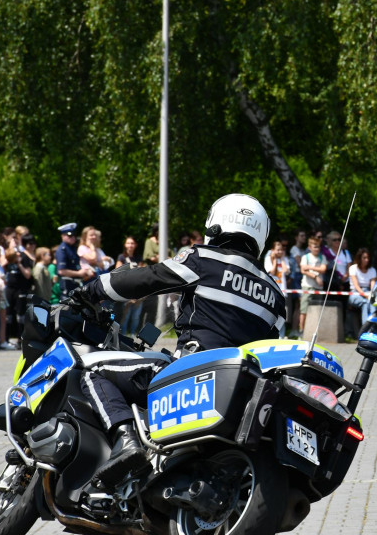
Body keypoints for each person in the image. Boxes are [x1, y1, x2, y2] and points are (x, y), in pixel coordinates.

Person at [75, 193, 287, 487]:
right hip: (238, 392)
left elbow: (146, 279)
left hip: (189, 375)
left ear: (217, 224)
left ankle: (125, 441)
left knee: (91, 370)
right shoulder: (275, 294)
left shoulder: (204, 259)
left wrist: (93, 289)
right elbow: (272, 346)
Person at [114, 236, 143, 336]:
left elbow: (142, 271)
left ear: (135, 245)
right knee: (125, 315)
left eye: (132, 243)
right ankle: (123, 334)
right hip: (126, 290)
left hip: (137, 290)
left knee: (136, 315)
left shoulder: (138, 257)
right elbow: (117, 271)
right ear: (125, 245)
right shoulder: (121, 257)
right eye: (128, 243)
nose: (130, 245)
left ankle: (133, 334)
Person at [299, 234, 328, 335]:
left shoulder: (322, 257)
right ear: (309, 247)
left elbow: (323, 269)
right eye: (315, 246)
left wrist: (309, 268)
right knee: (304, 309)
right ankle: (301, 331)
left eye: (319, 246)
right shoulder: (305, 257)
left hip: (318, 287)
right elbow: (303, 270)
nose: (317, 248)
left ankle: (314, 331)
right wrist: (315, 276)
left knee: (317, 310)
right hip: (307, 285)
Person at [55, 223, 94, 297]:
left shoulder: (72, 248)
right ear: (63, 236)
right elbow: (61, 271)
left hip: (76, 285)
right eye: (70, 235)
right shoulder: (62, 250)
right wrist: (79, 273)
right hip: (68, 286)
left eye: (74, 235)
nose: (73, 237)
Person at [347, 247, 377, 329]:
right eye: (364, 258)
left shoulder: (372, 270)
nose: (366, 260)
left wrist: (371, 294)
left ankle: (374, 326)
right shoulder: (353, 268)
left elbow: (372, 285)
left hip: (367, 292)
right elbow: (356, 285)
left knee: (373, 303)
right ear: (359, 258)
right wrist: (365, 295)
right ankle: (366, 328)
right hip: (355, 293)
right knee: (365, 303)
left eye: (368, 258)